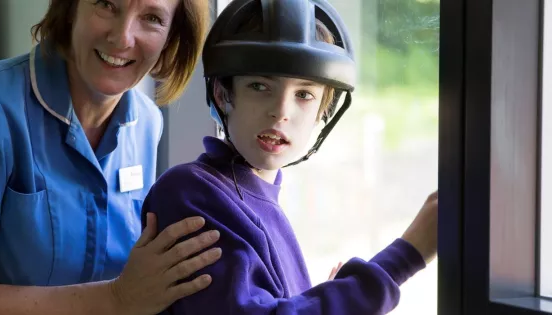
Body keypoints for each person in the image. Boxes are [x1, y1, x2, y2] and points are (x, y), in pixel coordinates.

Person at [141, 0, 438, 314]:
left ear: (324, 110)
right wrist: (406, 255)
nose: (281, 112)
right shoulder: (192, 194)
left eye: (304, 95)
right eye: (259, 86)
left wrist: (322, 300)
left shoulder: (257, 198)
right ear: (223, 93)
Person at [0, 0, 223, 314]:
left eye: (152, 18)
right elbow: (122, 296)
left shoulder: (148, 123)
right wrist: (115, 299)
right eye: (106, 4)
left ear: (172, 37)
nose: (123, 37)